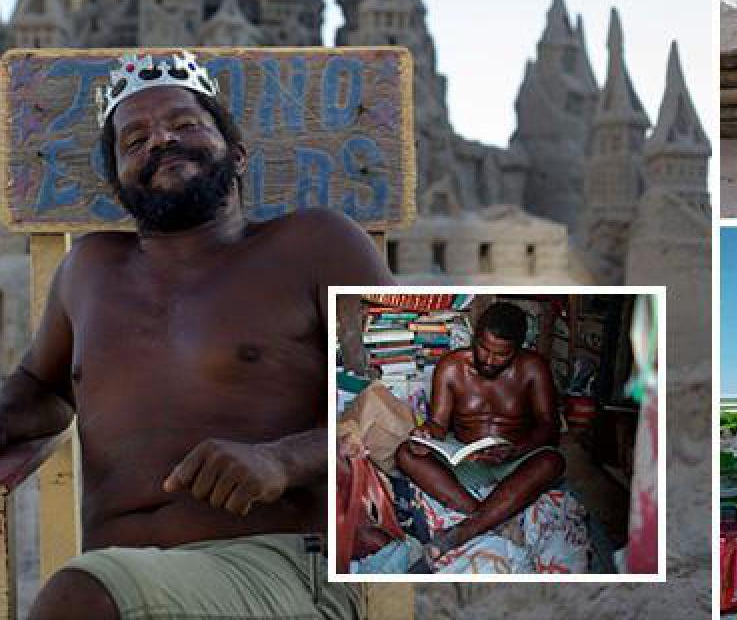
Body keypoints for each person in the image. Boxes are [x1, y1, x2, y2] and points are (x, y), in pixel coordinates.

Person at [3, 50, 394, 620]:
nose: (160, 140)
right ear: (119, 184)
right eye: (134, 140)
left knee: (78, 595)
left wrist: (284, 461)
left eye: (184, 124)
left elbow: (408, 405)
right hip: (123, 579)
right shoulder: (87, 270)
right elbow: (40, 389)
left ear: (236, 155)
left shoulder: (314, 244)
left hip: (277, 572)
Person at [394, 301, 564, 563]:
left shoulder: (533, 368)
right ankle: (489, 519)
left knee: (552, 461)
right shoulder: (451, 366)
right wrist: (425, 434)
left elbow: (549, 427)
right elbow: (438, 423)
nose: (488, 359)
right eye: (483, 348)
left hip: (514, 462)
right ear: (475, 337)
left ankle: (465, 530)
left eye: (500, 355)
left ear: (518, 350)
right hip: (465, 460)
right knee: (406, 453)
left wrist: (516, 451)